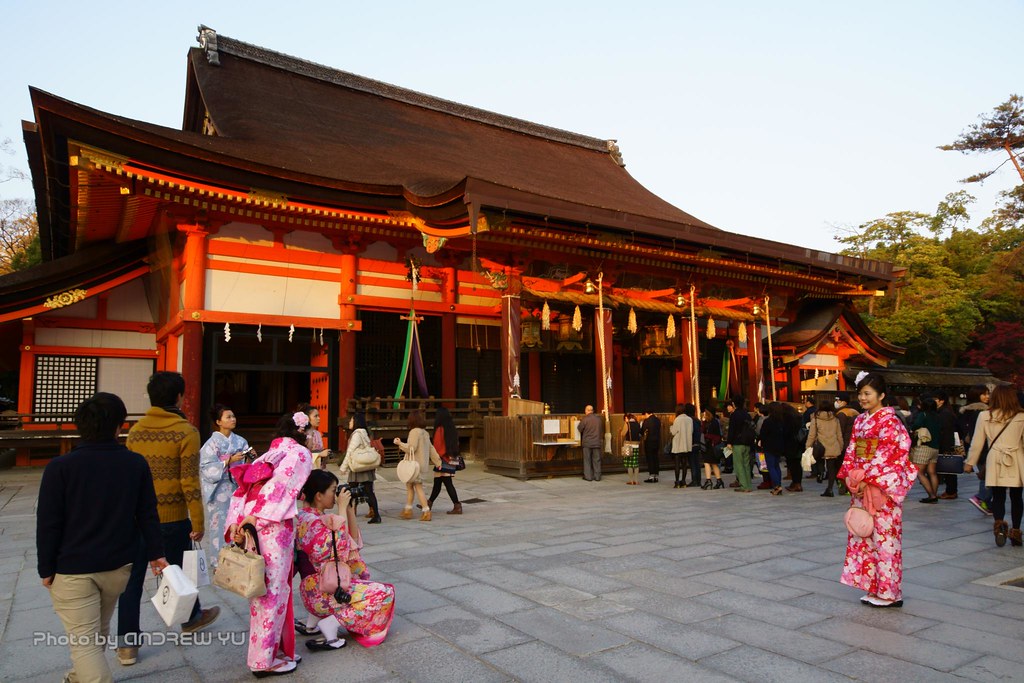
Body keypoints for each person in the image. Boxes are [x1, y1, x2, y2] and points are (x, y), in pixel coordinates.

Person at [37, 393, 168, 683]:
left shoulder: (60, 468)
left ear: (79, 425)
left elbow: (48, 524)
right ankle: (75, 678)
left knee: (86, 643)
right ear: (120, 426)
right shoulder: (135, 464)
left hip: (72, 568)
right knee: (96, 634)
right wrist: (157, 553)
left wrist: (46, 568)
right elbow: (147, 514)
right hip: (117, 565)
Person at [117, 372, 218, 667]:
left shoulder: (136, 432)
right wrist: (197, 521)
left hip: (137, 517)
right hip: (172, 517)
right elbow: (189, 482)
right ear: (179, 397)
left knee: (131, 582)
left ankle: (127, 645)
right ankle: (191, 618)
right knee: (178, 569)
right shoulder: (186, 432)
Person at [227, 411, 313, 676]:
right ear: (302, 433)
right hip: (272, 526)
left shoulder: (269, 454)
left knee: (264, 591)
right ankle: (263, 661)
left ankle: (277, 650)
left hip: (252, 524)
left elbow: (243, 488)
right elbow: (281, 489)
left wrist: (236, 523)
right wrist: (256, 517)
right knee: (272, 592)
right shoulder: (299, 453)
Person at [837, 372, 916, 608]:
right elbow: (852, 451)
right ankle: (873, 588)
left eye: (867, 393)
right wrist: (852, 477)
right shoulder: (861, 420)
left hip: (881, 488)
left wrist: (867, 478)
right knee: (865, 536)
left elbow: (892, 455)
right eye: (860, 393)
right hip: (862, 485)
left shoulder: (890, 422)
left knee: (885, 539)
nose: (862, 398)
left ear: (881, 395)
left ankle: (890, 593)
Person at [295, 470, 396, 650]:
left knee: (360, 578)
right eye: (333, 491)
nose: (336, 496)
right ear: (319, 495)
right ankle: (331, 623)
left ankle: (312, 623)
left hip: (316, 589)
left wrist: (348, 510)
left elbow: (352, 545)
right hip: (323, 591)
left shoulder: (307, 516)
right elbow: (338, 553)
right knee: (384, 593)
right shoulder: (311, 521)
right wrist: (341, 509)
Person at [965, 384, 1024, 547]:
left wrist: (969, 463)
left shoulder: (984, 416)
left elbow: (977, 443)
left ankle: (999, 527)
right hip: (1016, 458)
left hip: (995, 459)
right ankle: (1016, 531)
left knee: (998, 496)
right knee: (1017, 497)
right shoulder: (1021, 416)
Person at [199, 404, 251, 566]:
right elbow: (206, 467)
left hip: (238, 488)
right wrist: (228, 461)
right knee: (219, 524)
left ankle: (239, 556)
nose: (233, 419)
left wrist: (250, 457)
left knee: (239, 522)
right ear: (218, 421)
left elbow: (248, 465)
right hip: (220, 489)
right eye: (228, 417)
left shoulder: (241, 441)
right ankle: (218, 560)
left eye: (233, 416)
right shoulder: (211, 444)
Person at [394, 411, 442, 520]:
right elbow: (431, 448)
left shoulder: (414, 432)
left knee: (417, 487)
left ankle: (426, 511)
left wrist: (399, 443)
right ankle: (408, 509)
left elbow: (412, 448)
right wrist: (437, 461)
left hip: (414, 465)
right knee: (410, 486)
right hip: (421, 464)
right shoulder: (425, 432)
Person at [339, 412, 382, 523]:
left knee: (350, 491)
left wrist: (343, 467)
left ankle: (347, 514)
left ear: (356, 422)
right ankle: (375, 515)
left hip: (358, 466)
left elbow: (350, 451)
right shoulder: (364, 433)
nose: (349, 422)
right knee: (368, 491)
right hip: (365, 466)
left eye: (352, 420)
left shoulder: (357, 434)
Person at [959, 385, 992, 515]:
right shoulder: (982, 413)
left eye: (988, 394)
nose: (987, 397)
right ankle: (981, 498)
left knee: (986, 475)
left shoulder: (965, 412)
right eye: (983, 394)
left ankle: (986, 502)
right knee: (987, 476)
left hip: (975, 448)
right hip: (984, 448)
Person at [429, 407, 463, 513]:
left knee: (447, 483)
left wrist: (435, 458)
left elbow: (438, 446)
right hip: (451, 458)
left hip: (442, 459)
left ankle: (457, 505)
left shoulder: (440, 429)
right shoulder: (452, 428)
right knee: (437, 483)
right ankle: (428, 504)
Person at [910, 394, 942, 504]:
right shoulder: (938, 416)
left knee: (919, 472)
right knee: (932, 472)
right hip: (935, 448)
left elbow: (916, 425)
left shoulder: (923, 415)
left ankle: (931, 495)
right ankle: (935, 494)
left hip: (924, 447)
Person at [809, 399, 845, 496]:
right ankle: (830, 489)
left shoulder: (816, 419)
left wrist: (808, 446)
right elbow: (839, 435)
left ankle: (820, 473)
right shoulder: (835, 419)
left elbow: (812, 435)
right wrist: (840, 446)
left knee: (819, 461)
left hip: (820, 447)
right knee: (832, 468)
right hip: (833, 445)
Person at [757, 402, 789, 495]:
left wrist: (760, 441)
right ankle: (778, 485)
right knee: (776, 466)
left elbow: (762, 434)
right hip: (779, 446)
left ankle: (777, 486)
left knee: (771, 467)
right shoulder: (782, 421)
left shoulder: (768, 421)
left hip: (769, 446)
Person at [725, 399, 755, 492]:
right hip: (747, 442)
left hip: (738, 442)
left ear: (734, 404)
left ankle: (743, 485)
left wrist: (729, 442)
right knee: (746, 464)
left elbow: (732, 430)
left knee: (739, 465)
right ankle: (749, 485)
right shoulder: (747, 414)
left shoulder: (734, 415)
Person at [934, 391, 959, 500]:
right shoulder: (945, 412)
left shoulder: (944, 413)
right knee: (948, 468)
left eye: (936, 399)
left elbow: (945, 431)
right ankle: (951, 490)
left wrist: (946, 447)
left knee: (949, 468)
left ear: (941, 401)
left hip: (946, 444)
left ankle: (951, 491)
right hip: (947, 443)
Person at [299, 403, 331, 470]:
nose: (318, 418)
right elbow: (301, 455)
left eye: (318, 416)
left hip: (317, 466)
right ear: (307, 418)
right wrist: (319, 454)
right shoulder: (302, 434)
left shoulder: (318, 434)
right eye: (315, 416)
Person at [668, 404, 693, 488]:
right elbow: (691, 431)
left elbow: (673, 432)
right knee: (684, 464)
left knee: (677, 464)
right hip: (686, 445)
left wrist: (671, 427)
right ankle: (684, 481)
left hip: (678, 444)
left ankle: (677, 482)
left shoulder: (677, 419)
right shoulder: (690, 419)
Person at [577, 405, 604, 482]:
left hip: (587, 443)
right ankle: (597, 477)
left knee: (587, 460)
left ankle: (588, 477)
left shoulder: (585, 419)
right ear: (592, 410)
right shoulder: (598, 419)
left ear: (587, 411)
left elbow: (579, 429)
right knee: (597, 460)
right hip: (597, 442)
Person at [700, 408, 725, 489]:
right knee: (713, 463)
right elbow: (702, 430)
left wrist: (706, 435)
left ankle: (708, 480)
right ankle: (719, 480)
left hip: (711, 445)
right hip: (709, 445)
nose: (704, 415)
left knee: (707, 462)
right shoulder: (708, 422)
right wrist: (703, 422)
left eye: (705, 414)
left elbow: (715, 435)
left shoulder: (714, 422)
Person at [683, 403, 703, 487]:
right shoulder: (697, 420)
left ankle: (694, 480)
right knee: (697, 462)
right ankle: (698, 480)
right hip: (698, 443)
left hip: (692, 443)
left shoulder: (689, 420)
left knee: (692, 462)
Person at [640, 410, 662, 484]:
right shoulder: (657, 420)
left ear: (647, 413)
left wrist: (641, 425)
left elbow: (643, 431)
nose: (644, 416)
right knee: (656, 458)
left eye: (645, 414)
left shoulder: (647, 421)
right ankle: (656, 475)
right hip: (657, 441)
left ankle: (651, 476)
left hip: (649, 442)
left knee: (650, 458)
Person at [620, 413, 642, 485]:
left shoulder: (627, 424)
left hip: (628, 445)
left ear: (628, 418)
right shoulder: (637, 424)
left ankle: (631, 480)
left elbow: (623, 434)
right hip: (636, 445)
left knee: (629, 464)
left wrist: (621, 430)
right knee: (635, 463)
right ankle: (636, 480)